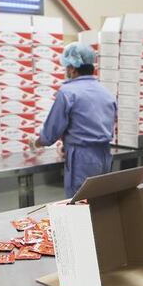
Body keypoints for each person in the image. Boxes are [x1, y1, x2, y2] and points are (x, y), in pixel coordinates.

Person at [33, 43, 117, 198]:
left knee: (79, 204)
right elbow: (99, 124)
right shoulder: (106, 92)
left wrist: (37, 142)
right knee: (101, 202)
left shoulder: (67, 93)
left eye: (66, 68)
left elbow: (51, 132)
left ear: (72, 68)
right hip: (105, 156)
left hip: (81, 159)